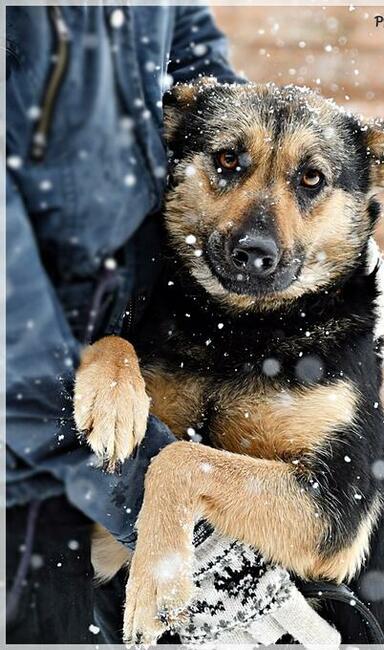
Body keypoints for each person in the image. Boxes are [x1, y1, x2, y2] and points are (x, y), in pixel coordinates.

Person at [6, 6, 242, 643]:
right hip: (32, 468)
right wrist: (173, 519)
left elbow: (185, 41)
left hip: (125, 384)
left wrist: (252, 147)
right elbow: (12, 336)